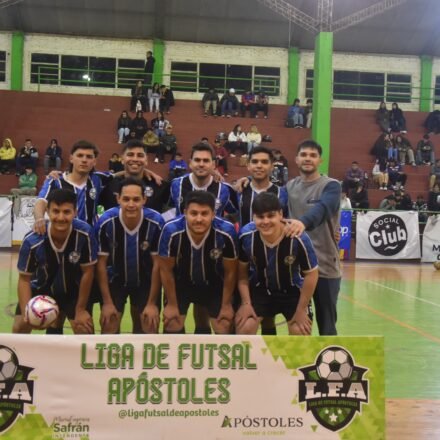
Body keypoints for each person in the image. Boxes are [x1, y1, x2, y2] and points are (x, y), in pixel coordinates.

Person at [13, 189, 97, 334]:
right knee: (20, 326)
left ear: (75, 212)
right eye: (55, 211)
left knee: (84, 328)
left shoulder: (85, 234)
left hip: (73, 291)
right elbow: (24, 280)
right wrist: (28, 311)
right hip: (40, 289)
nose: (60, 217)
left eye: (66, 212)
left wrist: (81, 309)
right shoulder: (32, 240)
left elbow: (87, 273)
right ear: (47, 211)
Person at [235, 193, 318, 335]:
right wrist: (246, 303)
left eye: (270, 216)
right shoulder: (246, 236)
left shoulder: (298, 238)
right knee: (245, 326)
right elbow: (242, 274)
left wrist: (301, 309)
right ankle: (259, 357)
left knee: (300, 330)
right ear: (253, 217)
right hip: (260, 289)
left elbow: (311, 275)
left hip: (292, 291)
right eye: (260, 217)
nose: (265, 221)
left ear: (280, 214)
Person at [158, 191, 238, 334]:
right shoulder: (171, 230)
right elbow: (165, 270)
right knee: (172, 323)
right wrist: (171, 304)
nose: (199, 219)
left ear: (213, 214)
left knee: (224, 325)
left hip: (214, 284)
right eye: (193, 213)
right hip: (181, 284)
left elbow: (230, 272)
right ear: (185, 213)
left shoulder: (226, 231)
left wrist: (226, 305)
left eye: (204, 213)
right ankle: (178, 356)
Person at [285, 139, 341, 336]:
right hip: (298, 269)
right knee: (301, 325)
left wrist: (303, 222)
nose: (308, 159)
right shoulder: (290, 186)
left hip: (325, 265)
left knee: (327, 325)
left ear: (320, 160)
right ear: (296, 159)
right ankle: (302, 365)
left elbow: (323, 208)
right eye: (304, 155)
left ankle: (327, 362)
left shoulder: (332, 186)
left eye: (313, 155)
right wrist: (245, 182)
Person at [95, 178, 164, 334]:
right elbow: (101, 264)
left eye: (136, 199)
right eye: (126, 199)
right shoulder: (106, 222)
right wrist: (106, 302)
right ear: (118, 198)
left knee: (149, 325)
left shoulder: (156, 222)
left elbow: (158, 265)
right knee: (108, 325)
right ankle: (111, 359)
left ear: (144, 200)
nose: (131, 204)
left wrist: (152, 303)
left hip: (146, 281)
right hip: (115, 280)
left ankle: (143, 359)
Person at [99, 139, 170, 214]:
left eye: (140, 155)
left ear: (146, 160)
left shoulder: (159, 185)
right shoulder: (107, 184)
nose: (135, 159)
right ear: (122, 159)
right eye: (130, 155)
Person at [170, 142, 237, 217]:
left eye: (206, 160)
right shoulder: (176, 184)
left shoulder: (224, 189)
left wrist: (249, 179)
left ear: (213, 164)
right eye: (197, 160)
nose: (201, 164)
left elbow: (239, 212)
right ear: (190, 163)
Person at [238, 146, 288, 227]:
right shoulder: (239, 191)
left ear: (272, 166)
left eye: (264, 162)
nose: (259, 165)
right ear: (248, 165)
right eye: (255, 161)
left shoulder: (282, 194)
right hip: (245, 239)